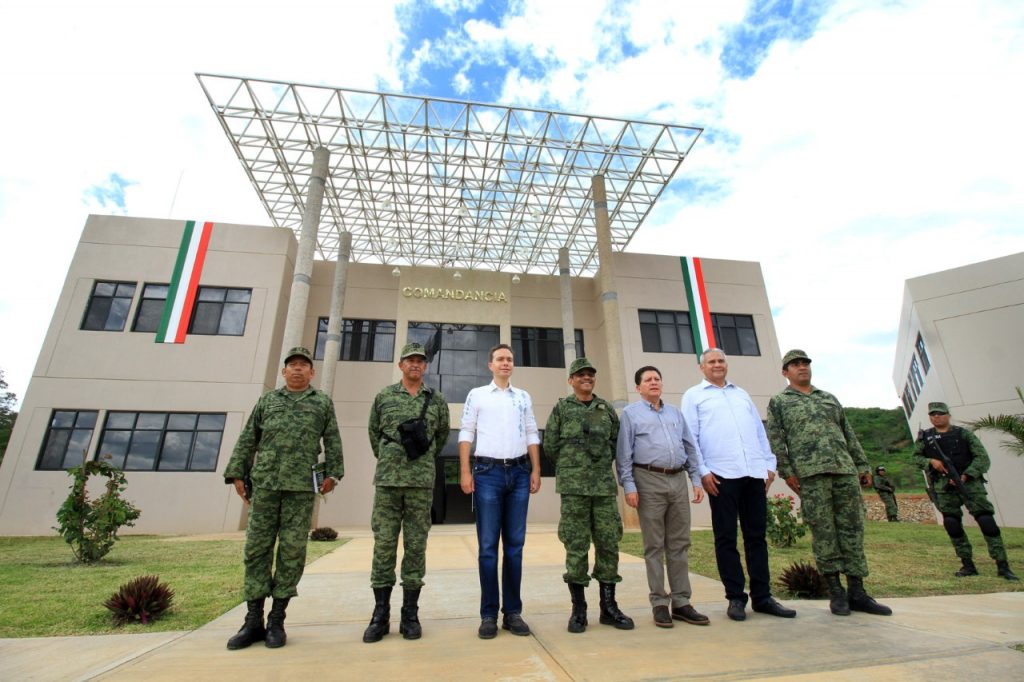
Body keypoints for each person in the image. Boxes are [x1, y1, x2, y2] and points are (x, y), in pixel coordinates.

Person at [223, 346, 344, 650]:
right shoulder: (268, 401)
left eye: (304, 365)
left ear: (312, 372)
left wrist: (333, 474)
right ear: (284, 371)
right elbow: (248, 437)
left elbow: (332, 440)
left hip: (301, 489)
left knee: (291, 552)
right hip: (265, 486)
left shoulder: (322, 403)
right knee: (256, 549)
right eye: (292, 365)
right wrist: (237, 473)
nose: (298, 369)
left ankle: (277, 620)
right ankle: (253, 620)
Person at [767, 349, 891, 617]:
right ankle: (836, 592)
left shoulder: (829, 398)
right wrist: (786, 471)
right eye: (795, 365)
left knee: (852, 530)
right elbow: (776, 439)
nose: (802, 368)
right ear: (785, 372)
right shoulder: (780, 402)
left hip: (844, 471)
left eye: (805, 364)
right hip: (811, 475)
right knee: (824, 532)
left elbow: (848, 432)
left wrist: (861, 465)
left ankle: (858, 592)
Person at [682, 348, 796, 622]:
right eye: (711, 361)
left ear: (727, 364)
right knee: (725, 538)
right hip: (720, 476)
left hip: (753, 474)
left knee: (756, 537)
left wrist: (768, 466)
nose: (717, 365)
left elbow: (759, 431)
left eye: (721, 360)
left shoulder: (741, 394)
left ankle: (763, 597)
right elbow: (690, 438)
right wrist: (702, 472)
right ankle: (735, 597)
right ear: (702, 368)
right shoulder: (694, 396)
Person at [363, 342, 451, 642]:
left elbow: (440, 438)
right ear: (401, 365)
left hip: (420, 484)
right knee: (384, 546)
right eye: (410, 360)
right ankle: (380, 615)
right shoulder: (384, 397)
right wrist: (392, 458)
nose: (415, 365)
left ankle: (410, 614)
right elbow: (374, 435)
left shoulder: (436, 400)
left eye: (420, 361)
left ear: (425, 367)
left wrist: (420, 459)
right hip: (388, 482)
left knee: (415, 548)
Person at [543, 358, 633, 634]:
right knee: (576, 545)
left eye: (590, 375)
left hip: (604, 489)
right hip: (573, 489)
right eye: (580, 375)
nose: (586, 378)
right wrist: (575, 466)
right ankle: (579, 609)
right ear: (571, 380)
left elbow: (615, 444)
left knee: (608, 544)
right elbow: (551, 446)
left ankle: (609, 607)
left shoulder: (606, 410)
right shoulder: (561, 409)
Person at [458, 343, 542, 639]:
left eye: (509, 359)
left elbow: (532, 432)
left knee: (515, 547)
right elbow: (466, 432)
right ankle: (489, 614)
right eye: (500, 359)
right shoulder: (477, 395)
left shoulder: (523, 397)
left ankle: (513, 612)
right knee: (488, 548)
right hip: (487, 474)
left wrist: (535, 469)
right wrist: (465, 471)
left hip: (519, 473)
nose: (505, 363)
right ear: (490, 365)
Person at [616, 365, 709, 629]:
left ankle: (681, 602)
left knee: (680, 543)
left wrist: (695, 479)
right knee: (654, 545)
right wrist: (629, 486)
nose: (654, 382)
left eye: (657, 378)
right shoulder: (630, 415)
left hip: (678, 479)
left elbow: (689, 447)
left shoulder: (675, 414)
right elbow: (624, 454)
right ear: (638, 387)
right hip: (648, 480)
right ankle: (659, 602)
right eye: (648, 380)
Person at [914, 401, 1018, 581]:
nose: (936, 417)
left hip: (970, 485)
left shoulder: (963, 434)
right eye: (932, 414)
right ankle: (967, 564)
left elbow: (982, 458)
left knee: (986, 521)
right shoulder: (925, 438)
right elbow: (915, 458)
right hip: (944, 486)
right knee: (952, 524)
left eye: (940, 413)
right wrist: (931, 462)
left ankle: (1002, 565)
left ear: (948, 414)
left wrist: (967, 475)